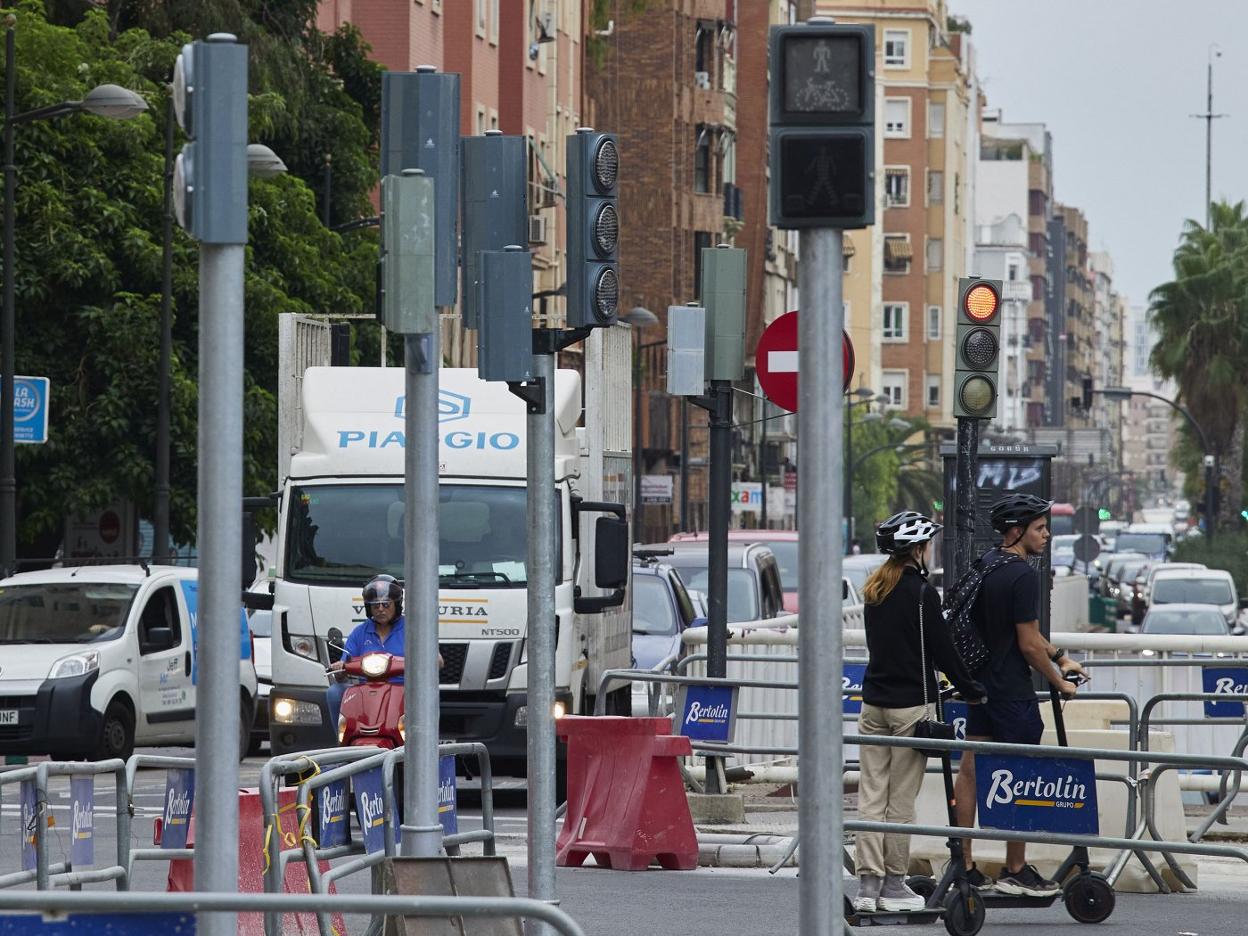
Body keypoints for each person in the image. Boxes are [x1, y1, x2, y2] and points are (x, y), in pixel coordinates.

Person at [953, 493, 1088, 896]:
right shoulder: (1024, 575)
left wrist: (1060, 656)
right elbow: (1027, 643)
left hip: (981, 689)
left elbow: (1022, 634)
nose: (1046, 536)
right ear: (1017, 531)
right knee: (1022, 775)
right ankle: (1015, 868)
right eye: (1039, 528)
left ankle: (965, 863)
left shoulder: (987, 566)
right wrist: (1059, 680)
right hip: (1013, 693)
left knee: (971, 771)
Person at [854, 511, 987, 914]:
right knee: (900, 800)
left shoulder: (874, 590)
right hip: (910, 706)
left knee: (870, 795)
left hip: (873, 704)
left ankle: (866, 886)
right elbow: (943, 651)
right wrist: (971, 689)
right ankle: (894, 885)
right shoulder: (921, 594)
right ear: (917, 549)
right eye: (927, 544)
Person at [326, 575, 442, 729]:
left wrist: (423, 661)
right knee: (335, 692)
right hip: (367, 691)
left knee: (428, 694)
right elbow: (342, 672)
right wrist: (339, 668)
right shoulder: (359, 632)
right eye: (375, 605)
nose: (380, 609)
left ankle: (423, 744)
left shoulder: (414, 628)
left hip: (406, 690)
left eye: (386, 604)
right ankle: (343, 744)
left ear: (396, 605)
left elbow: (438, 661)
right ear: (369, 608)